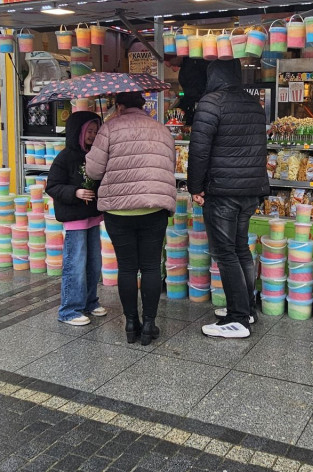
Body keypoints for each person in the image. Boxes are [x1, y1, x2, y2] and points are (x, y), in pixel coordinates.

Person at [85, 91, 176, 345]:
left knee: (127, 267)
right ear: (143, 105)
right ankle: (149, 324)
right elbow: (170, 164)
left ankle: (130, 323)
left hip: (118, 210)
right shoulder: (161, 129)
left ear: (119, 105)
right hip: (154, 208)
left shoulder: (110, 128)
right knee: (149, 267)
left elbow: (93, 170)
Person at [188, 59, 270, 339]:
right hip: (250, 190)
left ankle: (237, 320)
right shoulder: (253, 105)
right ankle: (246, 309)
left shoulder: (210, 103)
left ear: (213, 75)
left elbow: (199, 151)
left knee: (226, 254)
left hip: (222, 191)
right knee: (240, 249)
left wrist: (195, 186)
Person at [46, 111, 106, 326]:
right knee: (76, 264)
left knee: (94, 263)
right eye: (89, 131)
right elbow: (52, 186)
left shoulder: (94, 155)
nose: (93, 134)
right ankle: (69, 309)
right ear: (78, 132)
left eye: (96, 130)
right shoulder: (65, 157)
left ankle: (90, 301)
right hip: (75, 219)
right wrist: (75, 192)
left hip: (92, 217)